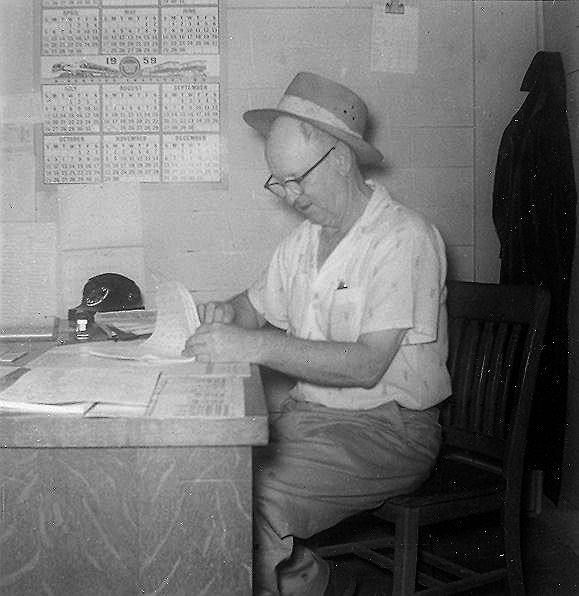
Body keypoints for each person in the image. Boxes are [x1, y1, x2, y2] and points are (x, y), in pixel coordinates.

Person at [184, 72, 452, 596]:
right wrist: (226, 313)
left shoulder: (403, 237)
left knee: (242, 500)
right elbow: (252, 307)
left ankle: (298, 580)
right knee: (205, 476)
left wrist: (253, 344)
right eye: (277, 182)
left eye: (296, 179)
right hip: (314, 421)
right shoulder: (306, 241)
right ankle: (307, 580)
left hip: (389, 430)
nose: (288, 196)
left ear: (341, 158)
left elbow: (366, 364)